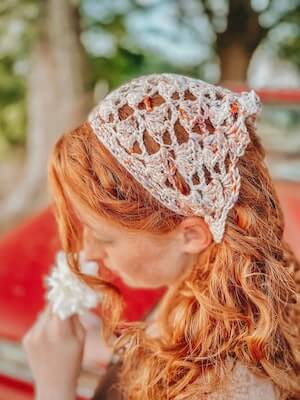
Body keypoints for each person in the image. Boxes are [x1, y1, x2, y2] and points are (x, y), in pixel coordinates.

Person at [22, 73, 300, 400]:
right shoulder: (209, 291)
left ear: (192, 235)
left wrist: (54, 387)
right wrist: (117, 349)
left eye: (105, 237)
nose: (90, 252)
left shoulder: (225, 385)